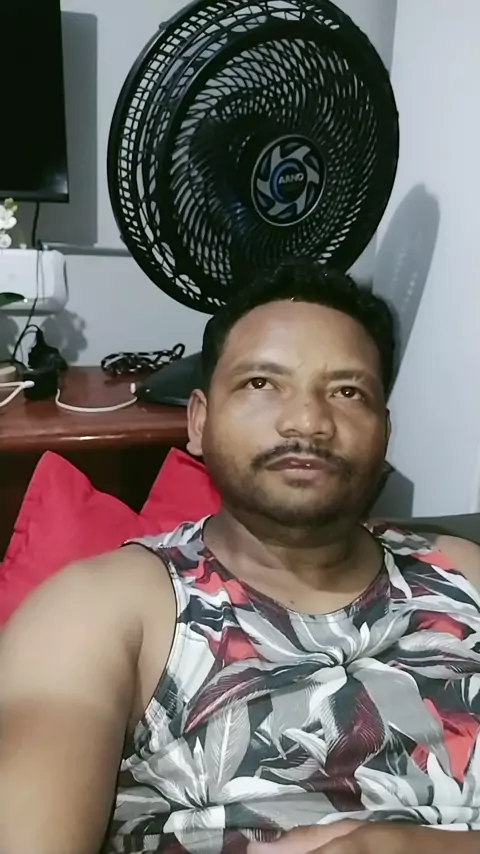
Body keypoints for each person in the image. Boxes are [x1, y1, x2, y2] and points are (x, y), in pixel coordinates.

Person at [1, 259, 480, 854]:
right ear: (199, 421)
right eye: (261, 383)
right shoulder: (102, 610)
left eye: (347, 391)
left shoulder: (463, 573)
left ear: (384, 429)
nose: (308, 420)